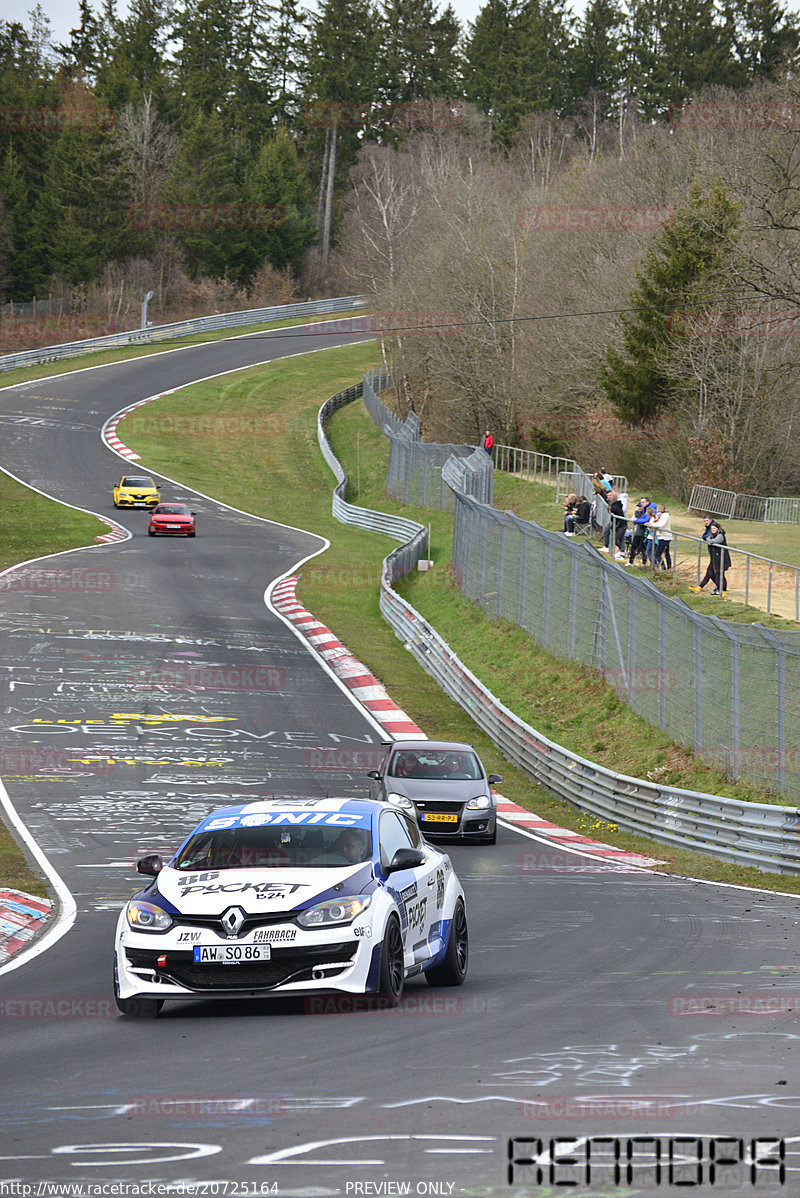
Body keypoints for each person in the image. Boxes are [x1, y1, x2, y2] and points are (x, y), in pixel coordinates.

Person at [690, 522, 730, 596]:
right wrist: (709, 540)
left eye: (714, 528)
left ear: (718, 528)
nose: (712, 530)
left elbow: (714, 541)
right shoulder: (713, 535)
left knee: (719, 575)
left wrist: (710, 541)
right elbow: (707, 538)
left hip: (722, 559)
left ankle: (723, 591)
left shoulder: (720, 535)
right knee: (709, 573)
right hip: (715, 559)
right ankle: (700, 587)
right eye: (711, 528)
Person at [626, 497, 656, 564]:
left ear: (647, 502)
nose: (641, 504)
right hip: (641, 530)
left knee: (642, 548)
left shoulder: (650, 509)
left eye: (642, 502)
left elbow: (646, 520)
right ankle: (632, 562)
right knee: (636, 546)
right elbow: (643, 518)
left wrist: (636, 520)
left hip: (644, 532)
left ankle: (643, 563)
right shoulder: (645, 509)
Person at [599, 489, 627, 557]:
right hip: (617, 523)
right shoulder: (614, 503)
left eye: (610, 495)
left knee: (615, 539)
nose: (609, 497)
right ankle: (622, 551)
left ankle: (622, 551)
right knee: (618, 538)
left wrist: (610, 509)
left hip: (621, 524)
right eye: (608, 495)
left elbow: (614, 509)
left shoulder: (617, 504)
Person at [650, 503, 673, 570]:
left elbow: (661, 524)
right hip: (662, 536)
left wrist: (652, 525)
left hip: (665, 537)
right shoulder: (662, 515)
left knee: (658, 554)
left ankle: (664, 568)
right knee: (666, 553)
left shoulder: (665, 515)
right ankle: (668, 568)